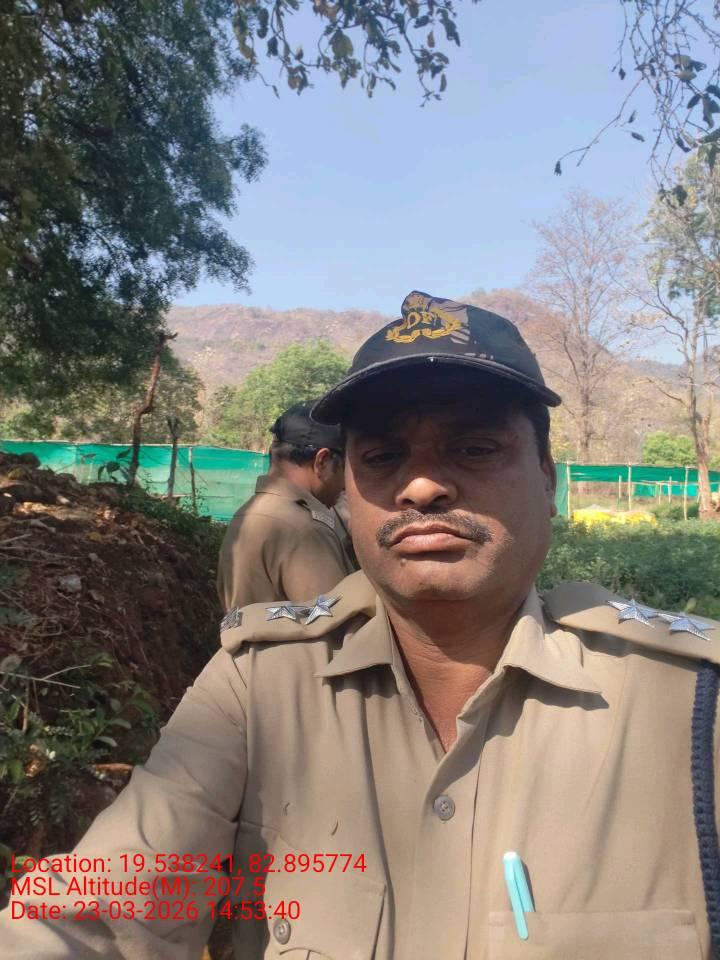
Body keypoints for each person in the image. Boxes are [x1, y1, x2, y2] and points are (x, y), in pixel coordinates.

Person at [3, 290, 720, 960]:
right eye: (382, 457)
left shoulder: (692, 705)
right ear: (348, 487)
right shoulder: (259, 686)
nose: (422, 486)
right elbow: (93, 914)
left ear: (547, 476)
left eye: (474, 448)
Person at [216, 402, 356, 614]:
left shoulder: (246, 514)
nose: (346, 483)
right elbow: (338, 623)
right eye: (346, 468)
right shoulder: (303, 529)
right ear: (322, 461)